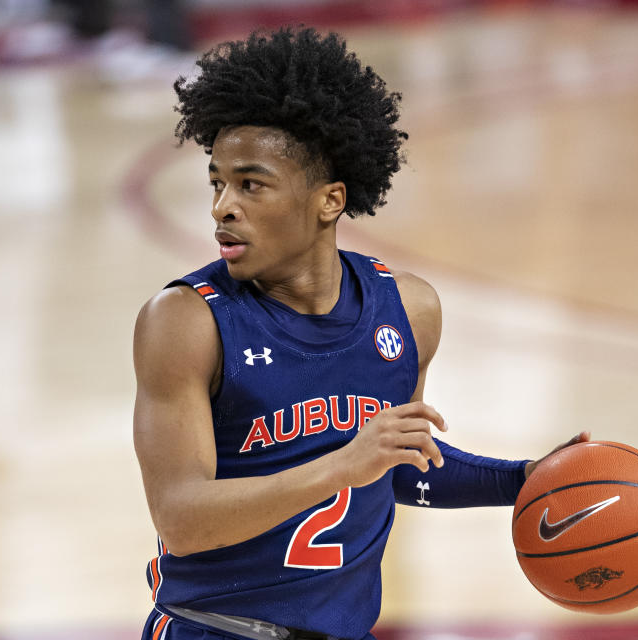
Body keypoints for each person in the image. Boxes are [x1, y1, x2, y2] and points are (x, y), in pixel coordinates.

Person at [133, 27, 589, 640]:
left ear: (329, 201)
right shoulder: (187, 320)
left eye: (251, 183)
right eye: (217, 182)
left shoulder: (408, 310)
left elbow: (397, 466)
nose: (221, 206)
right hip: (214, 630)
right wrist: (340, 466)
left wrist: (525, 479)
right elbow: (180, 519)